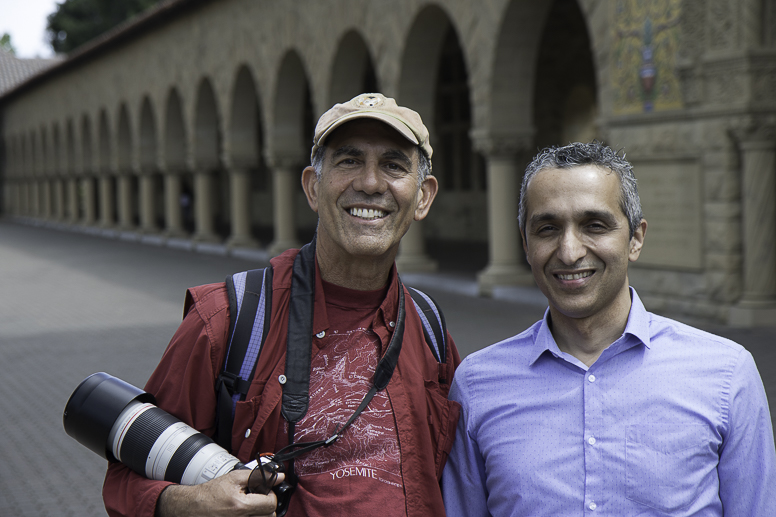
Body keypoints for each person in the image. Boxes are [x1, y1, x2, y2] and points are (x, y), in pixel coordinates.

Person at [103, 93, 461, 517]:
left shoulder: (429, 327)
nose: (370, 182)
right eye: (348, 161)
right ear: (312, 187)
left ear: (423, 197)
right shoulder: (226, 320)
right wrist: (189, 502)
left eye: (394, 165)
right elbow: (126, 480)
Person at [442, 142, 776, 516]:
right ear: (525, 243)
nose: (569, 252)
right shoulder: (476, 385)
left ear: (635, 238)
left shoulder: (726, 376)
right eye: (547, 228)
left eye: (594, 225)